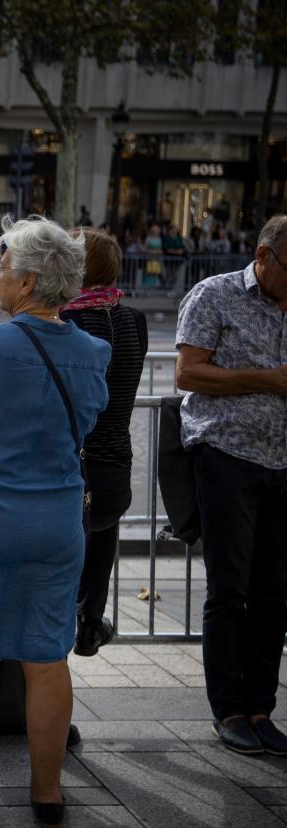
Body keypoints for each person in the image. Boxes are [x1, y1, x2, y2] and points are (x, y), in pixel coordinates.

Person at [0, 217, 109, 825]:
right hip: (56, 522)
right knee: (46, 657)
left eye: (3, 267)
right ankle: (48, 792)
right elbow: (87, 421)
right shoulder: (93, 353)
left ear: (29, 281)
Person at [176, 214, 287, 756]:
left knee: (276, 592)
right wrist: (265, 381)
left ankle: (261, 706)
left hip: (283, 463)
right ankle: (229, 709)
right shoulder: (214, 295)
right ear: (263, 256)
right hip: (227, 458)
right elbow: (188, 375)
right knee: (231, 589)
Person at [60, 229, 148, 657]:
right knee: (104, 535)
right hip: (117, 465)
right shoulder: (135, 320)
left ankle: (59, 639)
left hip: (75, 466)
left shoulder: (67, 322)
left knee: (60, 565)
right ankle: (91, 622)